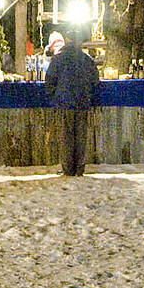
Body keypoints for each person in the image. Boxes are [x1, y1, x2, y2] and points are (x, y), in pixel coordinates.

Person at [43, 30, 100, 177]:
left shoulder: (58, 59)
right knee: (80, 137)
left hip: (64, 102)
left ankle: (68, 169)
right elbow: (95, 81)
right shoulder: (87, 59)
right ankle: (79, 168)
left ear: (67, 40)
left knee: (66, 137)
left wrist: (55, 97)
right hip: (82, 102)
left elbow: (49, 81)